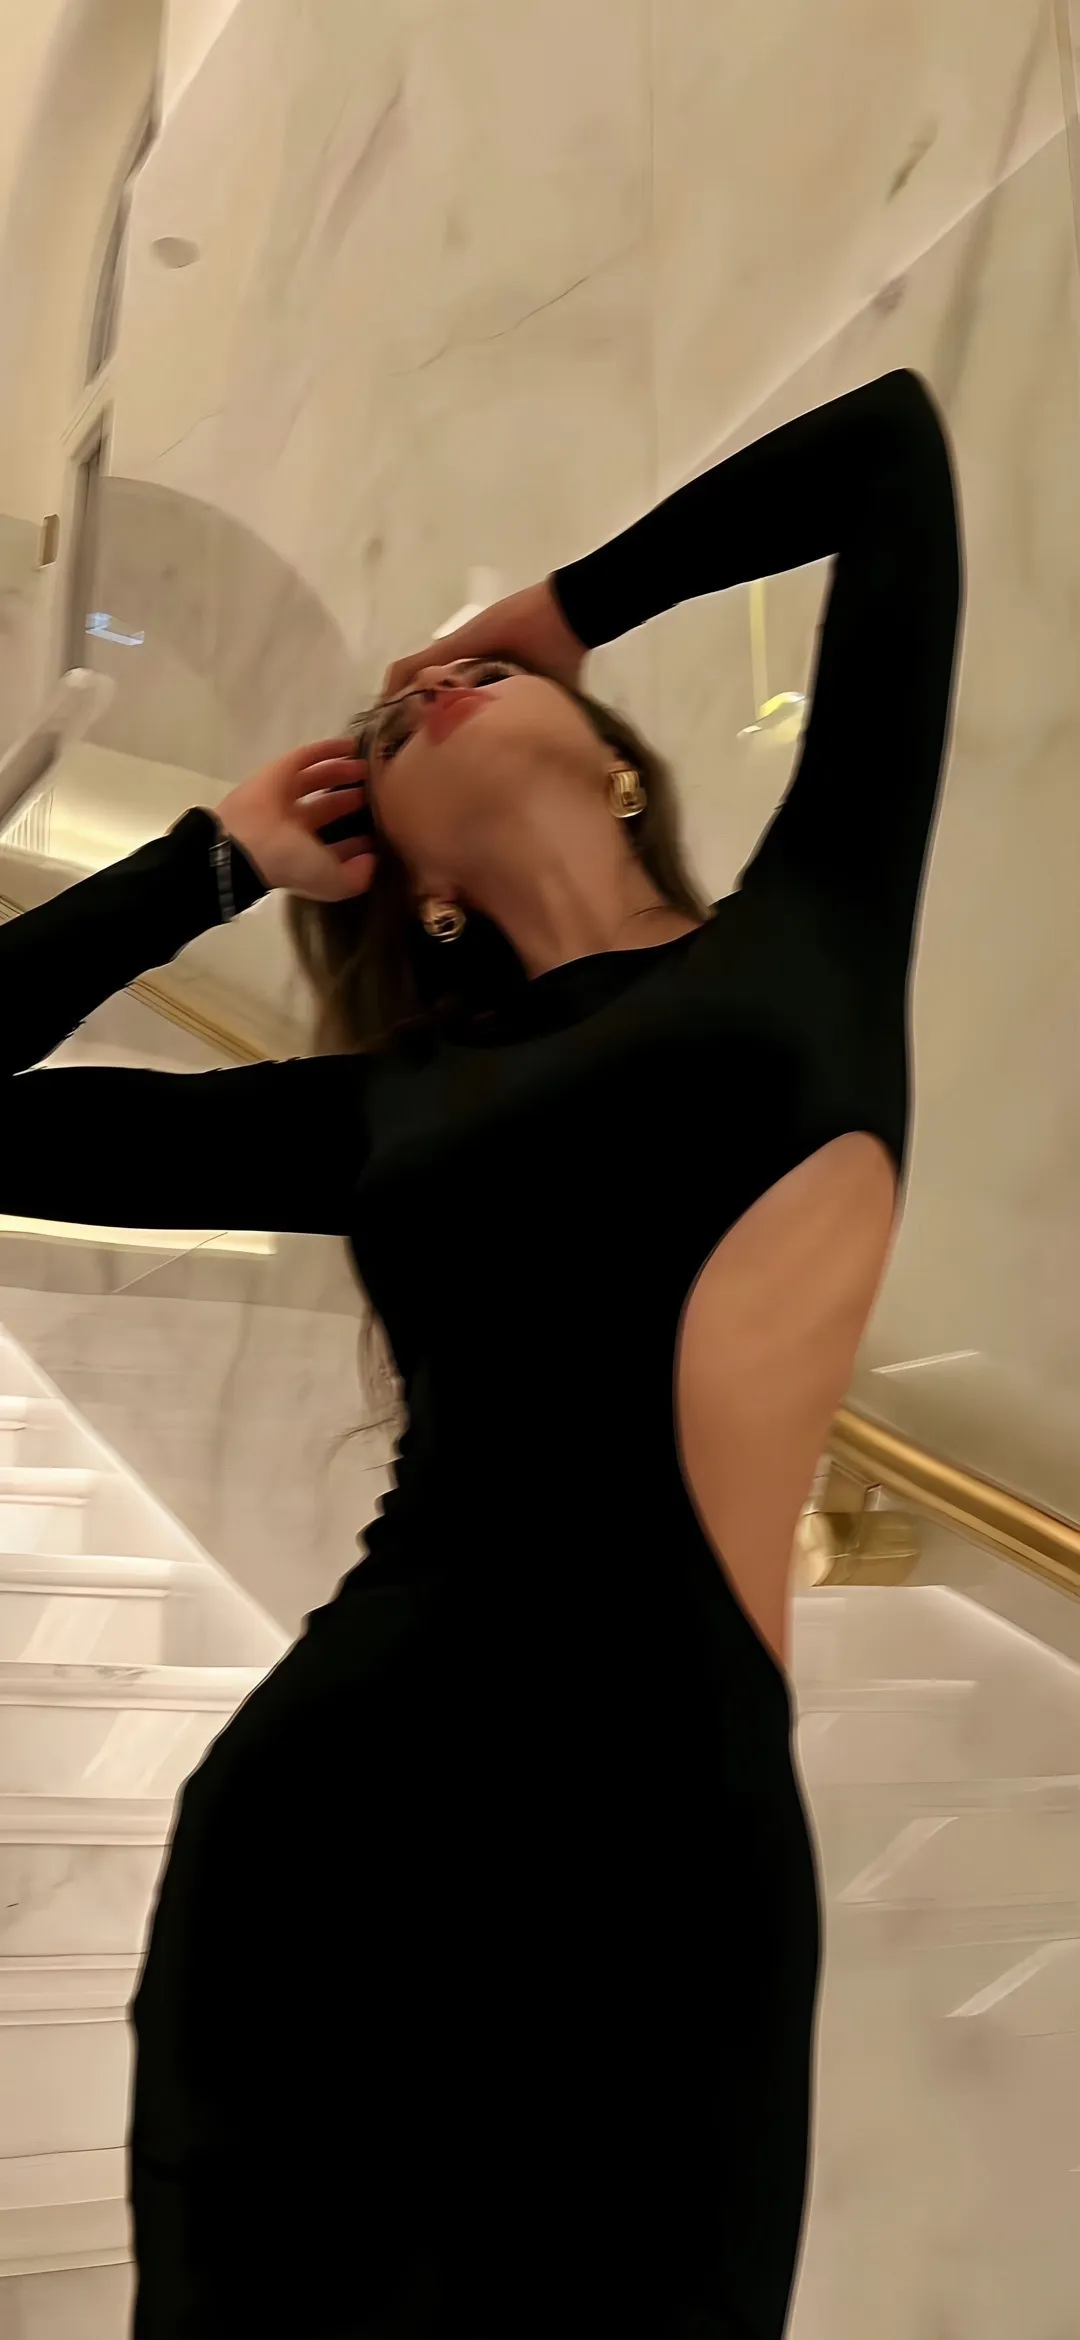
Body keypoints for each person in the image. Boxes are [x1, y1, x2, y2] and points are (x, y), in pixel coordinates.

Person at [0, 368, 962, 2337]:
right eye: (387, 725)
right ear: (411, 879)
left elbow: (892, 457)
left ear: (617, 761)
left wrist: (565, 607)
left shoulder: (813, 926)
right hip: (332, 1839)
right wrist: (205, 864)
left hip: (674, 1860)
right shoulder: (390, 1104)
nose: (429, 688)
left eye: (472, 679)